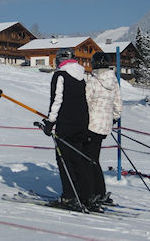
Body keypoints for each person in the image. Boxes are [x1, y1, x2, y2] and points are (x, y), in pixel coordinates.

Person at [39, 48, 92, 211]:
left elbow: (56, 100)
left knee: (64, 160)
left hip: (66, 124)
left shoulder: (60, 75)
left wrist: (50, 122)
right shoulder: (82, 75)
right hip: (82, 122)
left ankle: (69, 196)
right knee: (78, 160)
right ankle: (85, 195)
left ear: (60, 60)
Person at [83, 52, 122, 206]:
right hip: (104, 126)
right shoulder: (114, 81)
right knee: (94, 159)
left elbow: (85, 102)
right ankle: (99, 191)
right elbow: (118, 106)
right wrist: (112, 119)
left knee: (88, 160)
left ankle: (92, 192)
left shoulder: (93, 81)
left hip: (91, 125)